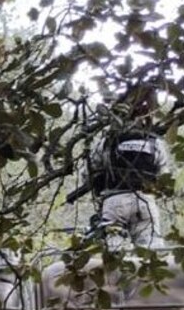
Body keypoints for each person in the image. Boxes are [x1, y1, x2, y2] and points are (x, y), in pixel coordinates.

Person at [68, 85, 169, 250]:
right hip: (145, 202)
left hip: (114, 201)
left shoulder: (107, 142)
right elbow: (165, 177)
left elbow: (88, 174)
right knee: (152, 254)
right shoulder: (154, 142)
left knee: (116, 256)